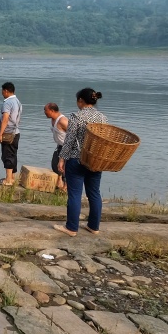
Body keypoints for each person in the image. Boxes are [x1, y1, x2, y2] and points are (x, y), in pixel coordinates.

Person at [53, 88, 107, 237]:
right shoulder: (103, 118)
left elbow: (69, 141)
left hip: (77, 159)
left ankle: (71, 228)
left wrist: (62, 159)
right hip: (95, 160)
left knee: (75, 194)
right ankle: (93, 226)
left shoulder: (76, 117)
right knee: (94, 193)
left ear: (81, 101)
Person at [0, 82, 22, 185]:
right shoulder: (18, 102)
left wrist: (0, 134)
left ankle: (8, 180)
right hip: (16, 132)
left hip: (8, 133)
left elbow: (5, 119)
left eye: (2, 91)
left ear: (6, 91)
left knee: (7, 155)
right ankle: (11, 178)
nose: (2, 93)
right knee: (13, 154)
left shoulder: (7, 103)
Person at [44, 103, 69, 192]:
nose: (44, 112)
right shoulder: (53, 120)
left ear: (52, 111)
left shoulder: (62, 121)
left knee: (64, 168)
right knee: (55, 164)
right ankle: (59, 181)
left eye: (45, 110)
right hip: (59, 146)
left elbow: (72, 134)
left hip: (67, 147)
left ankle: (66, 186)